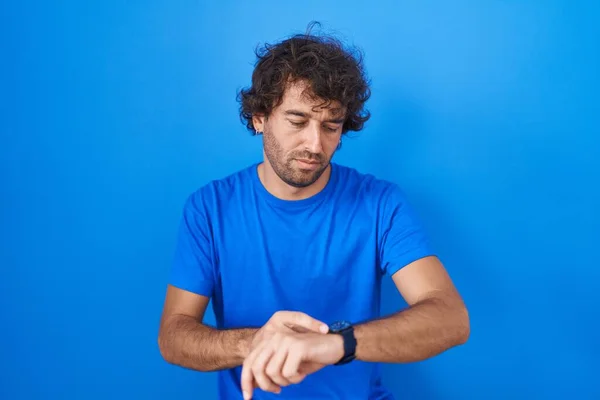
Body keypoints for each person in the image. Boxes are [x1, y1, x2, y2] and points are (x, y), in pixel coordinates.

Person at [158, 25, 470, 400]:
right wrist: (258, 342)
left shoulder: (380, 203)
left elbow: (450, 318)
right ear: (260, 117)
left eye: (331, 125)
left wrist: (335, 343)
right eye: (297, 121)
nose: (314, 144)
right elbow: (173, 336)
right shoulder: (209, 208)